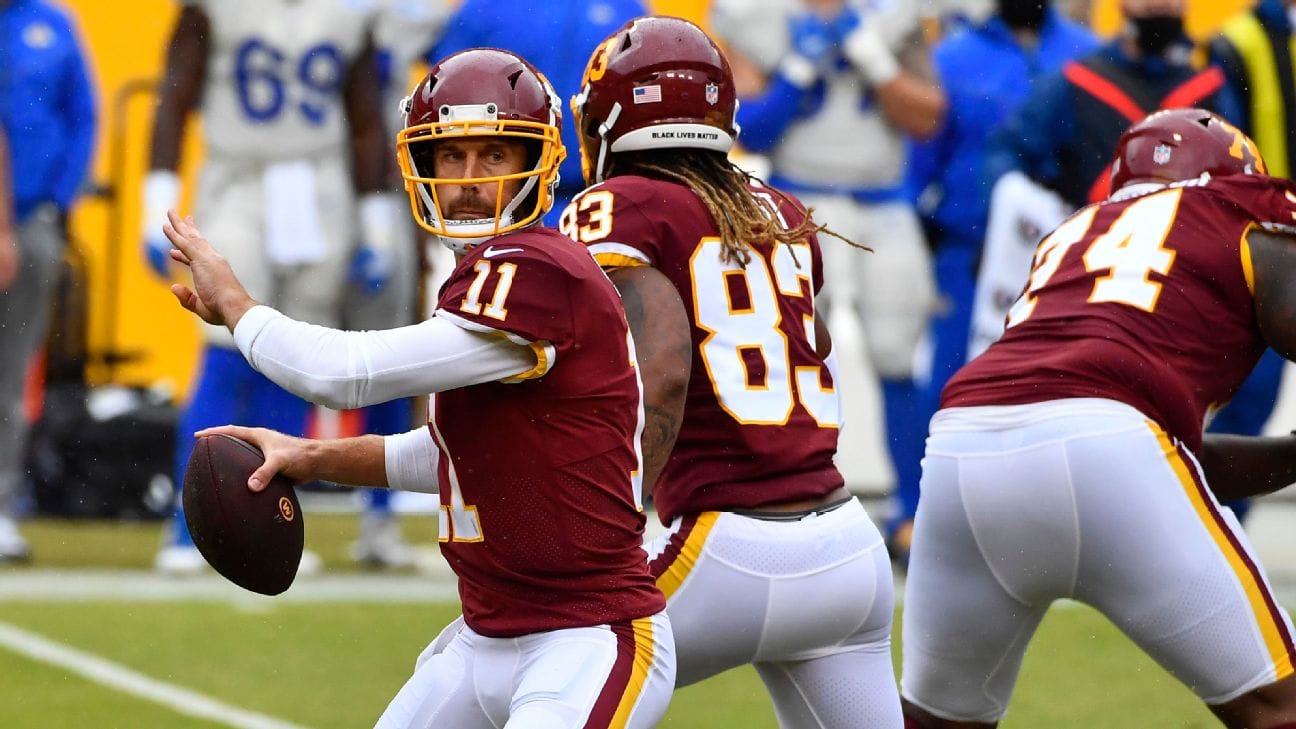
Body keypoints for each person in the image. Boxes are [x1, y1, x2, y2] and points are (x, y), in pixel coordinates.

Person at [162, 47, 676, 728]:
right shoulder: (485, 275)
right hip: (484, 634)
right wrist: (312, 456)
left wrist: (237, 303)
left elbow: (345, 373)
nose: (469, 180)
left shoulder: (538, 269)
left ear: (539, 161)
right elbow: (454, 456)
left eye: (494, 154)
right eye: (451, 155)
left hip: (585, 636)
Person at [901, 108, 1296, 729]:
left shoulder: (1071, 236)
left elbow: (1163, 458)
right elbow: (1112, 440)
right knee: (1279, 707)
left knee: (936, 722)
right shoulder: (1239, 220)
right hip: (1112, 450)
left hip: (962, 449)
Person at [563, 16, 903, 726]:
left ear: (615, 121)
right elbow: (809, 341)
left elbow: (658, 370)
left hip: (729, 545)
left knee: (540, 673)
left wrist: (606, 511)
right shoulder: (777, 208)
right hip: (847, 547)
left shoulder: (617, 207)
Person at [141, 0, 411, 573]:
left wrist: (377, 223)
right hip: (239, 181)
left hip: (320, 187)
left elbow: (364, 117)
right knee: (224, 354)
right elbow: (174, 98)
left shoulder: (350, 13)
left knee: (293, 361)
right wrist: (153, 202)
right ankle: (189, 526)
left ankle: (269, 523)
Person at [710, 0, 944, 557]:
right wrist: (798, 69)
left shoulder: (894, 17)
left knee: (897, 355)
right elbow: (749, 130)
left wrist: (874, 60)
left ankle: (912, 511)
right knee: (782, 353)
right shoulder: (758, 14)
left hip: (883, 201)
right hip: (797, 198)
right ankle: (776, 501)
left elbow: (926, 119)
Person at [900, 0, 1099, 560]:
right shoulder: (953, 56)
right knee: (952, 380)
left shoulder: (1085, 53)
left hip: (1068, 253)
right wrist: (923, 234)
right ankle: (925, 514)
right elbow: (922, 159)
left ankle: (1052, 525)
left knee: (1062, 386)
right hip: (967, 246)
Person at [0, 0, 97, 562]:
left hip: (33, 215)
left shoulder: (53, 24)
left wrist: (56, 205)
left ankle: (0, 504)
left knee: (11, 373)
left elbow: (83, 116)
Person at [425, 0, 646, 226]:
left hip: (604, 198)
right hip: (504, 199)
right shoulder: (484, 8)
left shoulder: (627, 9)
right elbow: (444, 95)